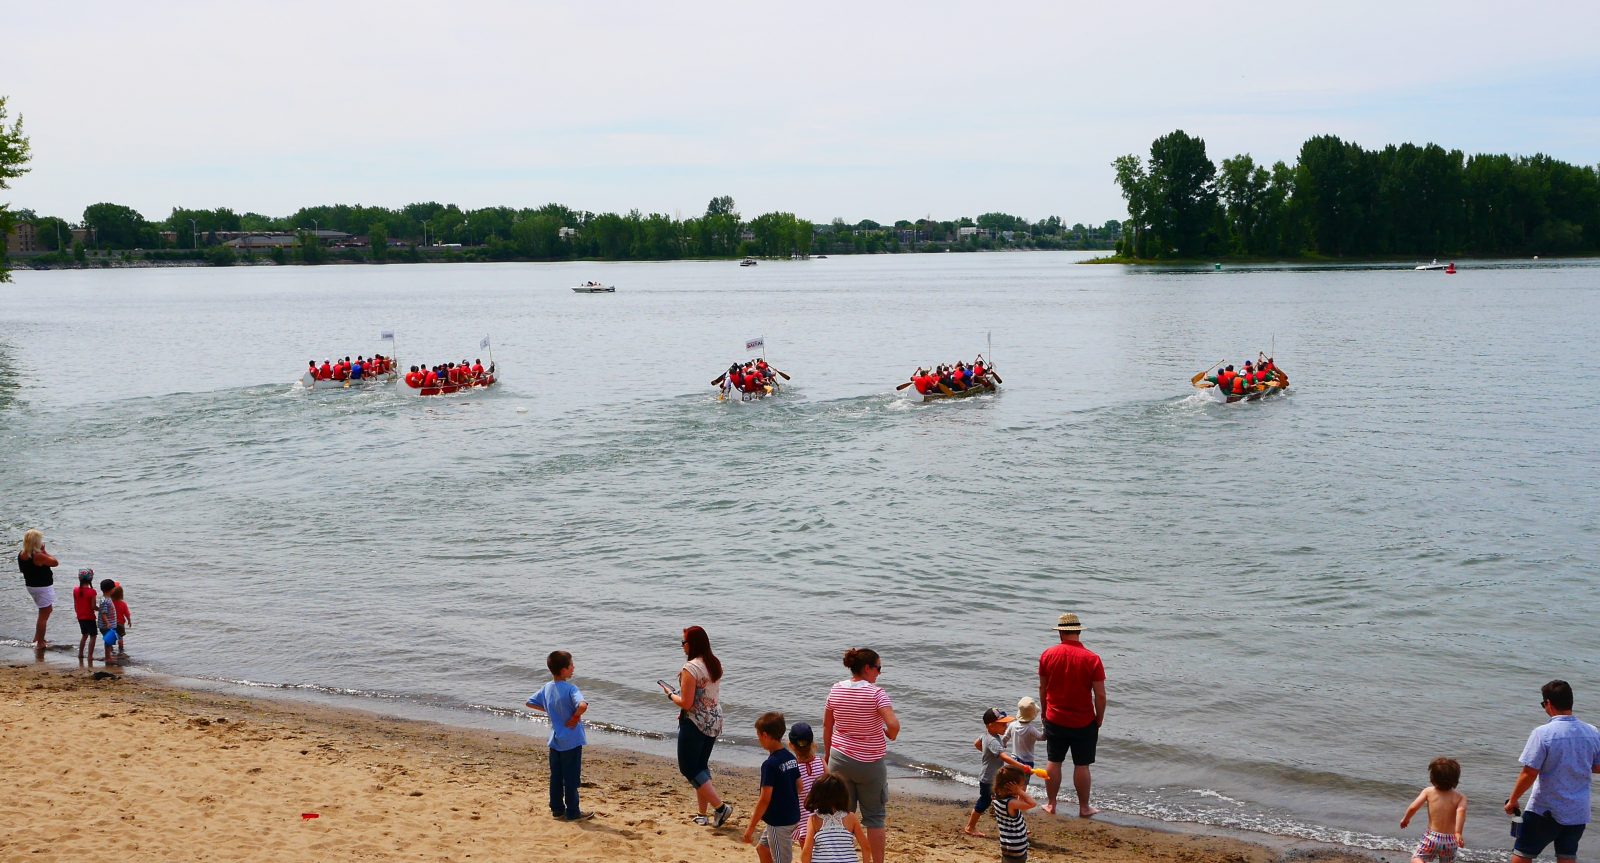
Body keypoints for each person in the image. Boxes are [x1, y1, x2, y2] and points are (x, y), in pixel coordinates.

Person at [1504, 680, 1600, 863]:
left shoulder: (1543, 733)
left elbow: (1529, 773)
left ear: (1548, 703)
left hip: (1545, 810)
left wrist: (1513, 800)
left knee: (1522, 854)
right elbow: (1597, 767)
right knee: (1567, 856)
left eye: (1543, 704)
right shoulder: (1592, 732)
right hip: (1578, 811)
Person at [822, 648, 900, 863]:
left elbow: (828, 725)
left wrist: (828, 755)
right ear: (867, 668)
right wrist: (889, 735)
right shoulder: (876, 693)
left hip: (840, 759)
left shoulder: (836, 689)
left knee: (842, 814)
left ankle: (840, 858)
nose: (879, 673)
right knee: (874, 819)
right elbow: (893, 725)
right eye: (878, 668)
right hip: (870, 764)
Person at [660, 626, 733, 828]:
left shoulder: (690, 668)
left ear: (692, 644)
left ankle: (720, 808)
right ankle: (702, 814)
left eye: (684, 642)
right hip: (714, 719)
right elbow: (704, 695)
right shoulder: (714, 663)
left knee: (688, 767)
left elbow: (687, 703)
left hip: (695, 722)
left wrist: (669, 693)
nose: (682, 646)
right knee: (701, 766)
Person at [1038, 612, 1105, 817]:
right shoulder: (1092, 659)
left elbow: (1043, 688)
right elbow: (1100, 695)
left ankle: (1051, 804)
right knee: (1082, 764)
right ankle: (1084, 807)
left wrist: (1044, 713)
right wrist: (1099, 718)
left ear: (1060, 633)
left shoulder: (1047, 654)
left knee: (1054, 761)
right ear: (1078, 632)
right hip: (1084, 720)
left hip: (1055, 717)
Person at [524, 650, 591, 821]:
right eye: (571, 665)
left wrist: (550, 709)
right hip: (571, 740)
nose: (573, 667)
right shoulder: (571, 688)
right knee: (571, 778)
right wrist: (575, 717)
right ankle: (573, 812)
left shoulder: (547, 688)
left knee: (556, 777)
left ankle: (557, 810)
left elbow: (530, 702)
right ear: (563, 670)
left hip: (555, 741)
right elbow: (582, 705)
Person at [744, 712, 803, 863]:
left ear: (765, 735)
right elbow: (800, 786)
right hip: (792, 816)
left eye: (758, 737)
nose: (759, 740)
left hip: (779, 823)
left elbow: (764, 799)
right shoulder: (790, 757)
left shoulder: (769, 765)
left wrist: (750, 828)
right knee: (762, 849)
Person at [965, 708, 1031, 836]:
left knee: (1006, 800)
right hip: (989, 780)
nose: (1006, 726)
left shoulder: (987, 736)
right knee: (984, 802)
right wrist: (1022, 767)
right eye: (1002, 724)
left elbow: (977, 744)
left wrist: (987, 753)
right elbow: (1004, 757)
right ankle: (970, 827)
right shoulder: (993, 740)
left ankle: (1016, 826)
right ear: (991, 725)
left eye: (1006, 723)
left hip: (994, 778)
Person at [1401, 757, 1466, 863]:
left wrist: (1406, 819)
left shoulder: (1428, 791)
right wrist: (1458, 832)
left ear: (1432, 778)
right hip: (1450, 840)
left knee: (1417, 858)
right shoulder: (1460, 797)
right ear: (1456, 779)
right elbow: (1461, 812)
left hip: (1432, 837)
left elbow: (1413, 807)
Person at [801, 773, 871, 863]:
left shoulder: (814, 820)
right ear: (843, 795)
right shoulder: (851, 818)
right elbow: (866, 847)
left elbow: (807, 851)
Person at [17, 529, 58, 648]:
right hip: (42, 587)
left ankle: (37, 637)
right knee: (44, 614)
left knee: (45, 611)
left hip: (32, 585)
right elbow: (55, 563)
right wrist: (45, 552)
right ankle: (40, 642)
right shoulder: (38, 556)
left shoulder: (22, 554)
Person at [990, 765, 1037, 863]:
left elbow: (1010, 822)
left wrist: (1022, 830)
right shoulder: (1011, 803)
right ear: (1011, 787)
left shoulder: (996, 799)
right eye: (1020, 786)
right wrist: (1019, 792)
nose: (1022, 788)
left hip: (1006, 843)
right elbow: (1032, 803)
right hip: (1017, 846)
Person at [791, 722, 826, 848]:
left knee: (807, 854)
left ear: (791, 745)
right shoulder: (821, 762)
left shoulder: (793, 768)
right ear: (812, 743)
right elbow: (830, 787)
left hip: (804, 822)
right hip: (823, 819)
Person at [1005, 697, 1045, 786]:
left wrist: (1003, 744)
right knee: (1023, 783)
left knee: (1014, 782)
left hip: (1014, 760)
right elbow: (1042, 737)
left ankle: (1013, 797)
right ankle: (1021, 798)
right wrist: (1044, 725)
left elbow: (1005, 737)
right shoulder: (1031, 729)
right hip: (1027, 762)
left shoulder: (1012, 725)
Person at [72, 568, 98, 659]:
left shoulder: (75, 590)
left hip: (80, 616)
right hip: (90, 617)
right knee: (93, 636)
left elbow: (75, 604)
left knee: (84, 635)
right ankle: (90, 656)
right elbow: (93, 607)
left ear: (79, 578)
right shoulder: (92, 592)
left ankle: (80, 654)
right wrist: (101, 609)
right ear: (91, 579)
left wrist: (78, 613)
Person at [96, 578, 117, 664]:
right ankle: (107, 657)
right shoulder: (105, 600)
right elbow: (103, 613)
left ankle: (109, 655)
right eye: (114, 588)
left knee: (109, 640)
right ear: (111, 589)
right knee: (108, 641)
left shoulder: (106, 598)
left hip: (109, 624)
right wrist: (107, 623)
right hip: (106, 625)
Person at [111, 582, 131, 658]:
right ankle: (121, 650)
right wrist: (129, 620)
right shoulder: (123, 604)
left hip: (110, 623)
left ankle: (111, 650)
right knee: (120, 637)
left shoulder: (109, 603)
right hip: (120, 624)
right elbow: (127, 613)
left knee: (111, 637)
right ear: (121, 594)